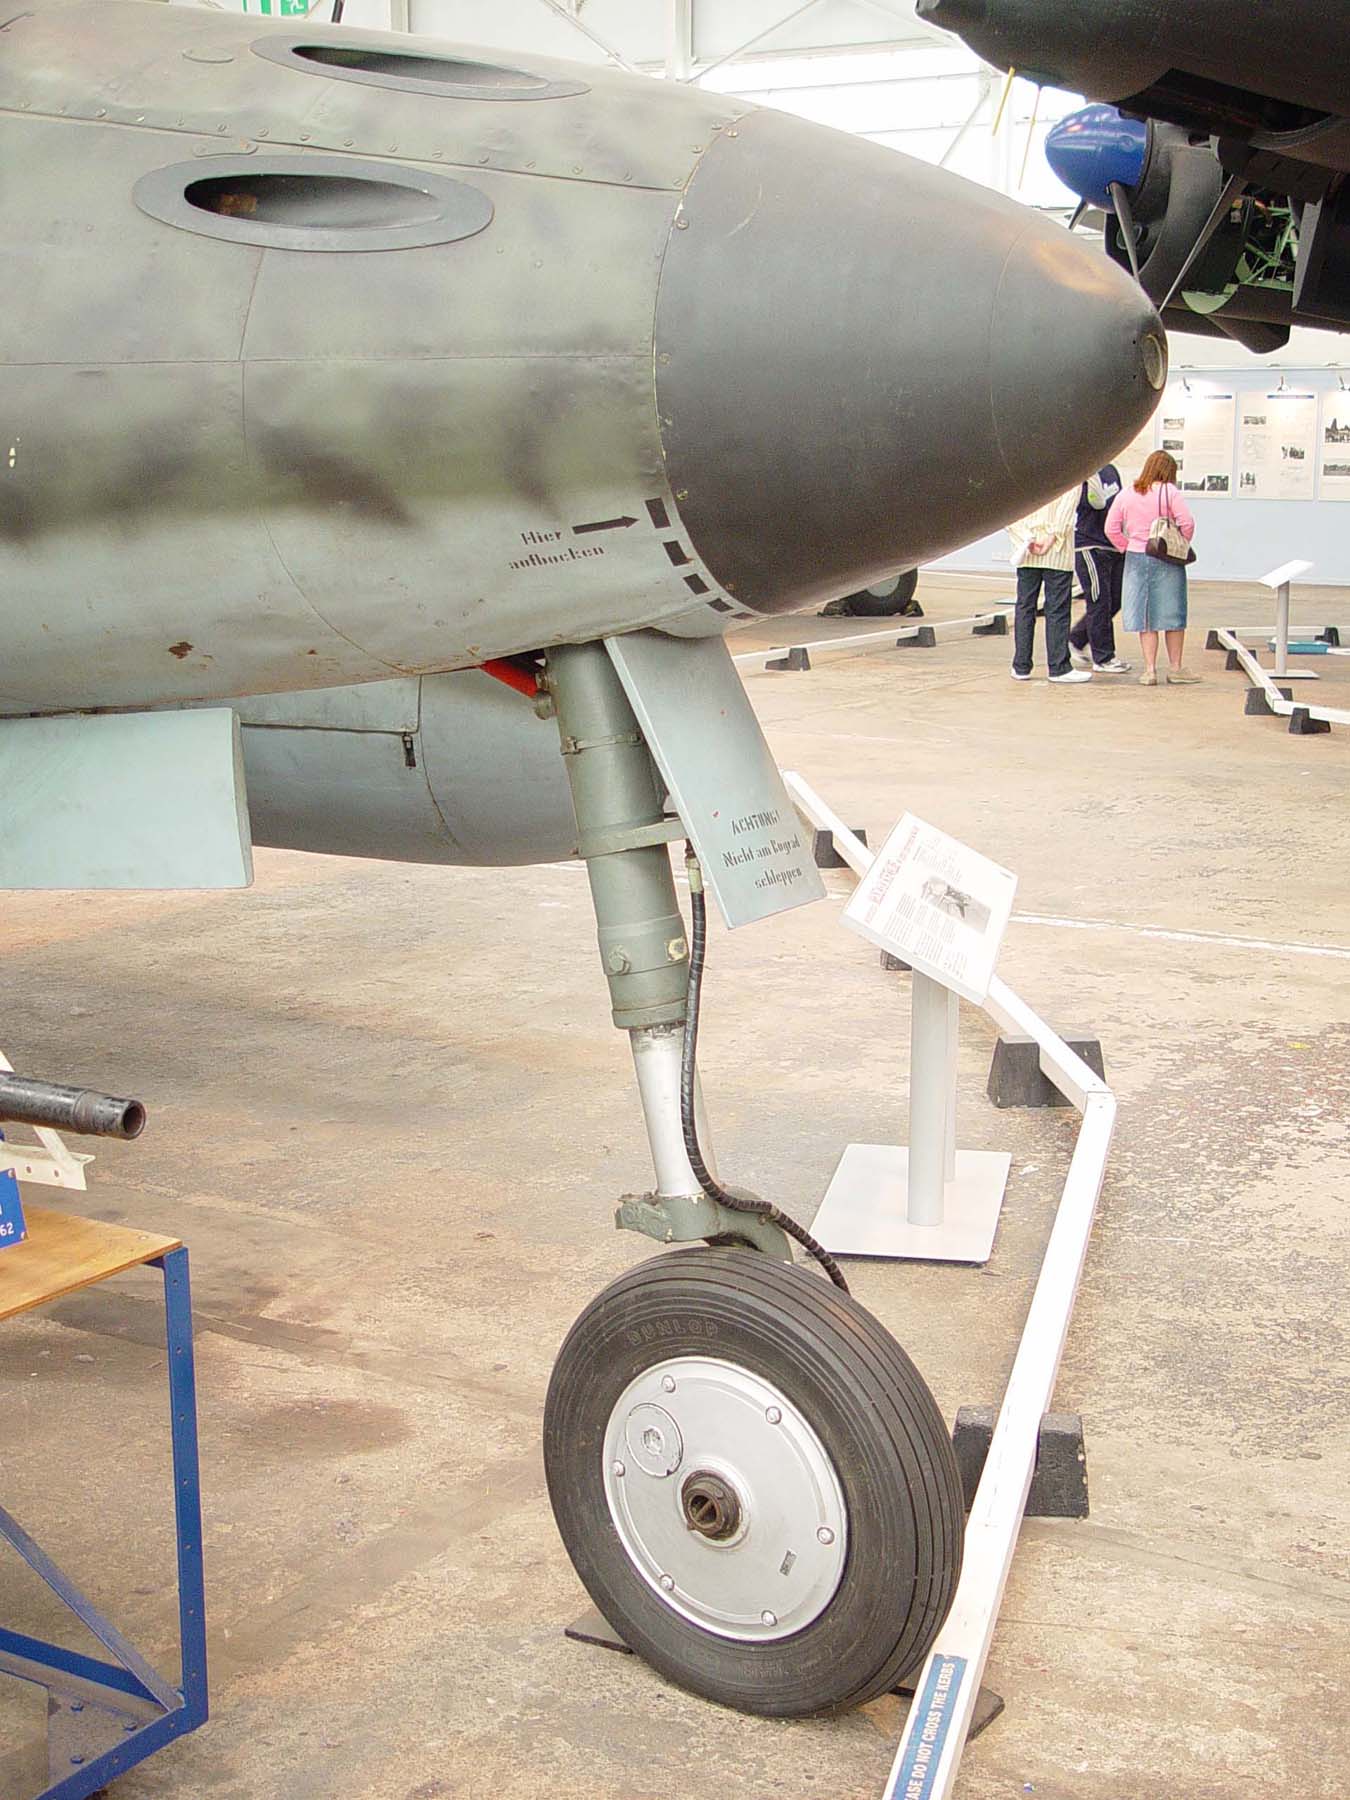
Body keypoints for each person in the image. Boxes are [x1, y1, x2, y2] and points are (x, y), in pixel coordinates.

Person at [1105, 451, 1198, 685]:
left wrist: (1127, 546)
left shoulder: (1127, 493)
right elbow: (1187, 523)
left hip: (1137, 557)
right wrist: (1179, 544)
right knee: (1172, 614)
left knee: (1145, 616)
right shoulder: (1170, 492)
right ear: (1169, 471)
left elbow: (1111, 528)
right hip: (1167, 558)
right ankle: (1175, 668)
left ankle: (1149, 670)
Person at [1007, 487, 1089, 683]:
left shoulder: (1024, 468)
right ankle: (1059, 666)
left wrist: (1026, 539)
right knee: (1057, 609)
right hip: (1058, 552)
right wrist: (1053, 537)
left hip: (1027, 549)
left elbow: (1011, 510)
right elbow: (1067, 508)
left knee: (1025, 607)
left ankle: (1021, 665)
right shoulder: (1071, 467)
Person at [1069, 462, 1130, 673]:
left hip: (1113, 546)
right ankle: (1103, 657)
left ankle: (1076, 638)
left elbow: (1118, 504)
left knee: (1116, 598)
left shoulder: (1111, 470)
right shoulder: (1080, 473)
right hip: (1090, 545)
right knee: (1099, 600)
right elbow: (1094, 502)